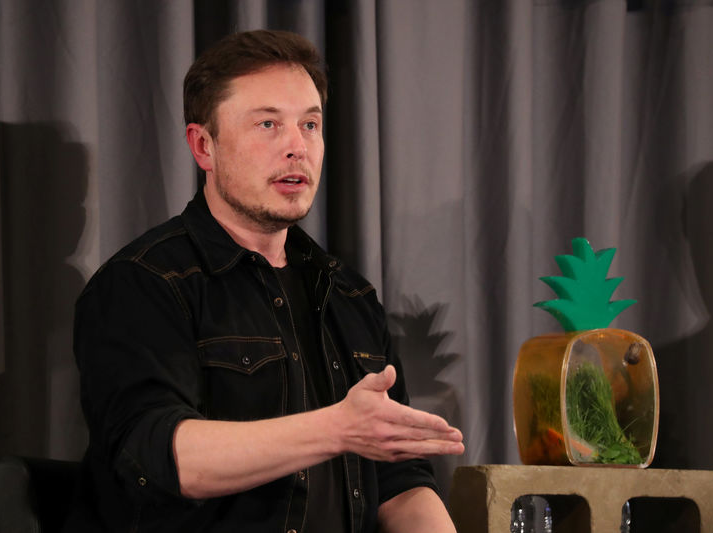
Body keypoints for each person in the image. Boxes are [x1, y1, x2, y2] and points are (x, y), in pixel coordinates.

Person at [64, 29, 464, 533]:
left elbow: (401, 483)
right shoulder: (142, 283)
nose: (297, 147)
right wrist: (336, 429)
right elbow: (161, 457)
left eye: (310, 125)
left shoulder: (350, 295)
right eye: (268, 124)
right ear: (203, 146)